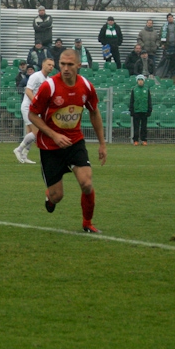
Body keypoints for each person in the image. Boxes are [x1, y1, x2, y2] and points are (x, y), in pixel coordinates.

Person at [28, 49, 107, 234]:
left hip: (74, 141)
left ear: (79, 66)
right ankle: (50, 196)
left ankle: (87, 223)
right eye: (62, 64)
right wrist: (54, 135)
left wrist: (102, 144)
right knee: (57, 196)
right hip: (50, 146)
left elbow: (94, 112)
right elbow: (32, 114)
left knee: (86, 184)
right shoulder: (50, 86)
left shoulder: (86, 86)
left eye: (70, 65)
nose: (65, 68)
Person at [13, 58, 55, 164]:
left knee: (30, 133)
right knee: (37, 132)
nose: (51, 67)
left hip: (36, 108)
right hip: (29, 107)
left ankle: (24, 155)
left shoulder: (48, 79)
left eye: (52, 65)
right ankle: (18, 149)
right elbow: (28, 91)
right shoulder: (35, 76)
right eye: (49, 64)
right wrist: (37, 103)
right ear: (43, 65)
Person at [157, 13, 175, 78]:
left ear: (173, 18)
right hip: (167, 47)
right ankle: (166, 74)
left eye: (171, 17)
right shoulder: (164, 26)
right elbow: (160, 35)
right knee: (166, 61)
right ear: (167, 19)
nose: (170, 18)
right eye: (169, 17)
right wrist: (162, 44)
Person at [129, 74, 152, 146]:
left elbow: (149, 100)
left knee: (144, 127)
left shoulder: (147, 89)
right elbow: (132, 100)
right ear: (137, 81)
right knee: (136, 126)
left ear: (144, 81)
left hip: (144, 110)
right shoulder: (134, 89)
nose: (140, 81)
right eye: (139, 80)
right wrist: (131, 110)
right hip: (136, 110)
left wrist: (149, 110)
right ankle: (135, 140)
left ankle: (144, 140)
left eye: (141, 80)